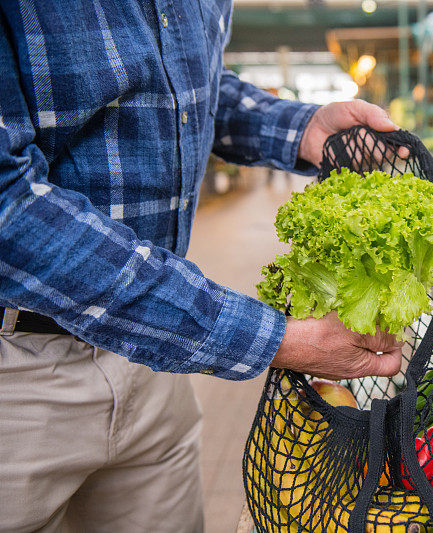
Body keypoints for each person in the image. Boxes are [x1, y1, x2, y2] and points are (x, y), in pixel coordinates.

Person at [0, 2, 403, 531]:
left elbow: (188, 89)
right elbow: (8, 207)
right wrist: (272, 339)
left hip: (151, 358)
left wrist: (301, 127)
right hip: (17, 376)